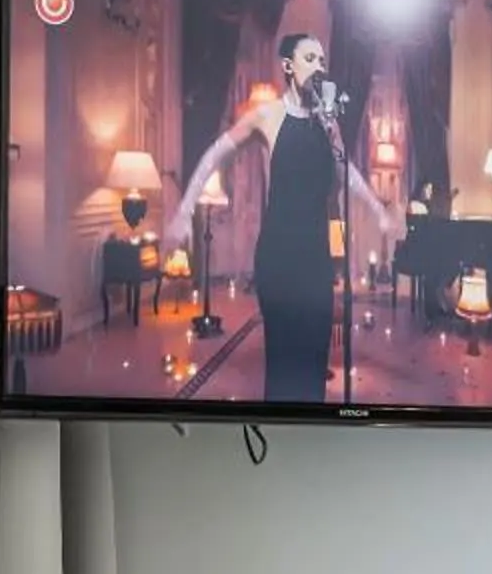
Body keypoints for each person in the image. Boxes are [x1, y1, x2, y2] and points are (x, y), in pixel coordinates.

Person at [168, 29, 398, 404]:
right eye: (310, 59)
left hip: (316, 260)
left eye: (323, 60)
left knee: (313, 362)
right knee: (284, 362)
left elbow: (345, 170)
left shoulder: (328, 122)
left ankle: (312, 438)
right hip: (278, 258)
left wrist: (377, 210)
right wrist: (183, 209)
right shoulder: (267, 116)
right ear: (288, 66)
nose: (319, 66)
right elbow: (215, 154)